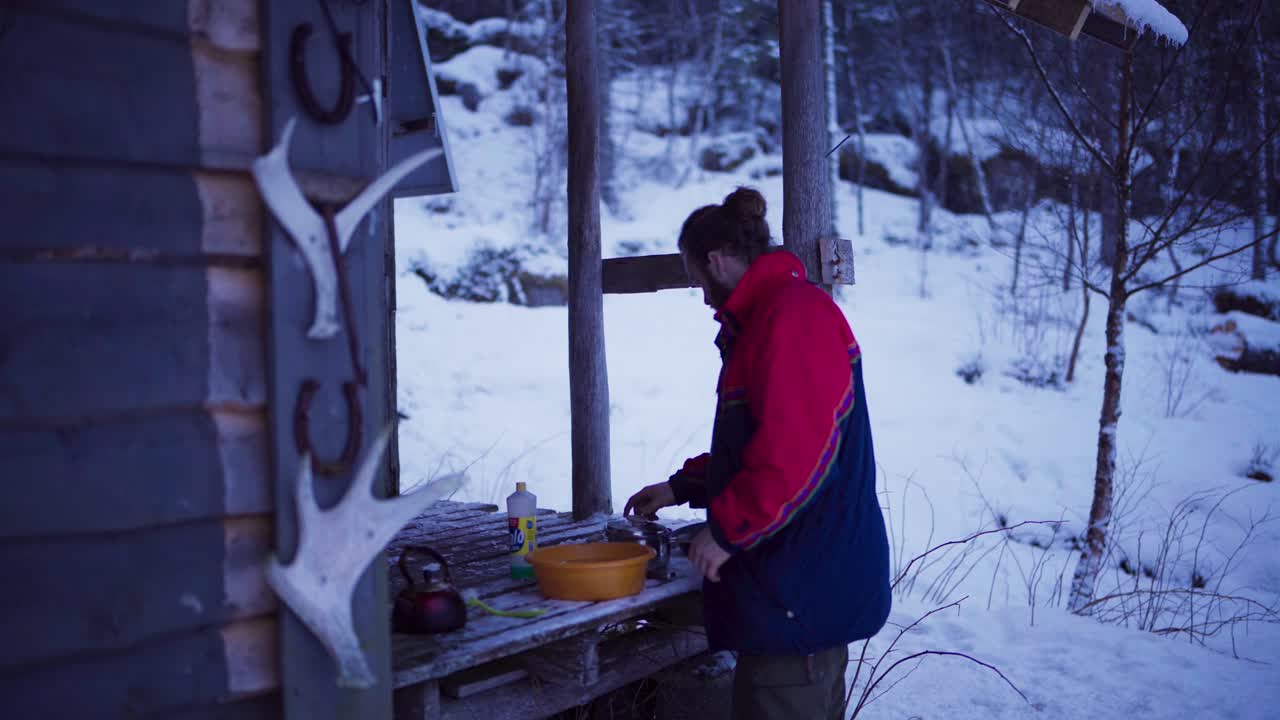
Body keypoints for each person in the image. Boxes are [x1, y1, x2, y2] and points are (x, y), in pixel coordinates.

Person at [624, 187, 890, 720]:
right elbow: (761, 439)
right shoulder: (771, 317)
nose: (702, 297)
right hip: (793, 585)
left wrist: (727, 531)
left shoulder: (791, 317)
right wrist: (684, 486)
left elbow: (795, 454)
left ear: (718, 261)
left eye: (698, 280)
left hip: (800, 589)